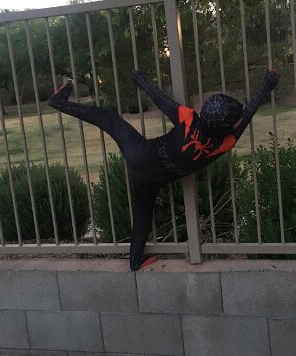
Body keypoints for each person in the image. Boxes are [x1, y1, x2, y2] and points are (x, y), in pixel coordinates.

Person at [48, 68, 279, 270]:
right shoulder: (225, 144)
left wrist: (140, 80)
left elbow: (162, 101)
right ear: (229, 127)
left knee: (109, 119)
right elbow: (249, 113)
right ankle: (135, 260)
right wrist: (267, 83)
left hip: (139, 154)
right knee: (143, 211)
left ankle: (59, 103)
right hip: (150, 179)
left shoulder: (190, 120)